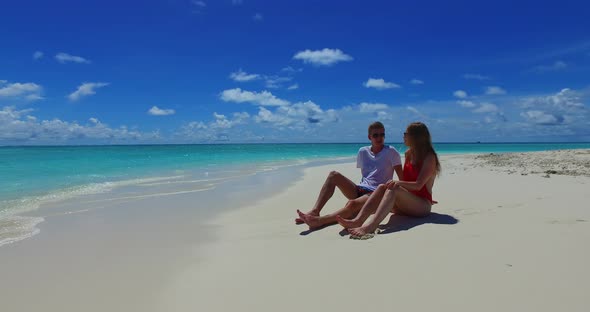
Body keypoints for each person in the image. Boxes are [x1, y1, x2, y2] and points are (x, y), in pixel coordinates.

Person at [336, 121, 440, 239]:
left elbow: (418, 185)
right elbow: (406, 180)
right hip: (407, 203)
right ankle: (358, 221)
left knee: (393, 187)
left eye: (406, 133)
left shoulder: (429, 157)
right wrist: (396, 187)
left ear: (415, 137)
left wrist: (397, 183)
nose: (403, 136)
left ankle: (370, 226)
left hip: (422, 206)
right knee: (382, 186)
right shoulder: (409, 154)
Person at [296, 121, 403, 229]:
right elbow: (365, 175)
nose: (379, 138)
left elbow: (401, 178)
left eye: (382, 135)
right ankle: (315, 211)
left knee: (351, 204)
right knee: (333, 175)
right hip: (360, 189)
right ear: (369, 137)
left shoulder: (391, 151)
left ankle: (320, 221)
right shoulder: (363, 151)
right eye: (375, 135)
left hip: (376, 193)